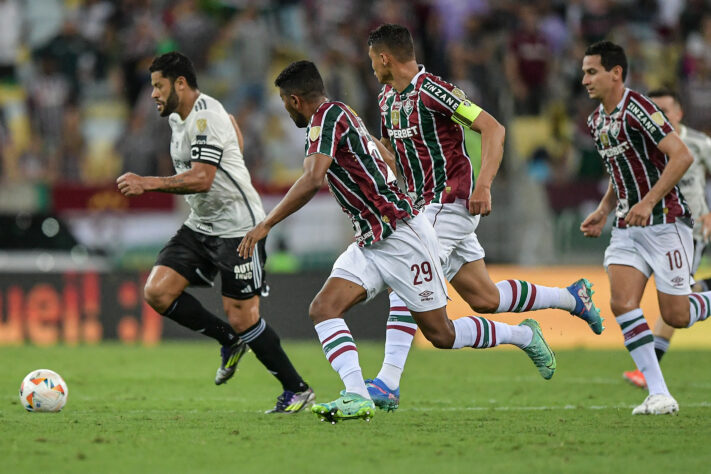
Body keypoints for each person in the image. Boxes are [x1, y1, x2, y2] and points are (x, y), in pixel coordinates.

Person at [238, 60, 558, 424]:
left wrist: (266, 224)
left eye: (283, 101)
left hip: (402, 234)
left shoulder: (327, 118)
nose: (283, 107)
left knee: (442, 333)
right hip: (372, 238)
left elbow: (313, 179)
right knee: (324, 308)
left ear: (295, 100)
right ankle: (357, 394)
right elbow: (383, 155)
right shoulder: (344, 115)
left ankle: (521, 336)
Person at [364, 23, 603, 412]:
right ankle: (565, 302)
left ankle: (388, 383)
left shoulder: (433, 90)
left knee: (407, 275)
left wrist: (485, 184)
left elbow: (493, 128)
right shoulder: (387, 100)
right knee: (485, 298)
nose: (371, 65)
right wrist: (373, 153)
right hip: (422, 209)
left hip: (450, 203)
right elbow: (398, 159)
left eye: (373, 58)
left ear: (385, 57)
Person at [116, 51, 314, 414]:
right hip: (202, 225)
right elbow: (233, 134)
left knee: (243, 316)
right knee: (157, 292)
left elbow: (203, 177)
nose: (153, 95)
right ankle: (228, 341)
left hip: (240, 229)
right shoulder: (183, 117)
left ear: (180, 83)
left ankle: (297, 389)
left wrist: (147, 183)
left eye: (158, 86)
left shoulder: (205, 116)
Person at [580, 41, 711, 415]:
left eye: (592, 71)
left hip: (666, 222)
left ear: (615, 73)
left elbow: (681, 155)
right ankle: (658, 393)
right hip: (626, 226)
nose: (584, 79)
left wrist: (649, 200)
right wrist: (605, 209)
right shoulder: (596, 121)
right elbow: (618, 172)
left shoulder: (639, 107)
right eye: (584, 71)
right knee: (622, 303)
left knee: (676, 316)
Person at [622, 88, 711, 388]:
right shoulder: (641, 145)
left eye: (665, 110)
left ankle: (648, 372)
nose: (659, 116)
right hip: (652, 231)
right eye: (653, 110)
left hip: (689, 230)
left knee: (675, 301)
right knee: (677, 297)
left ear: (680, 113)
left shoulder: (698, 144)